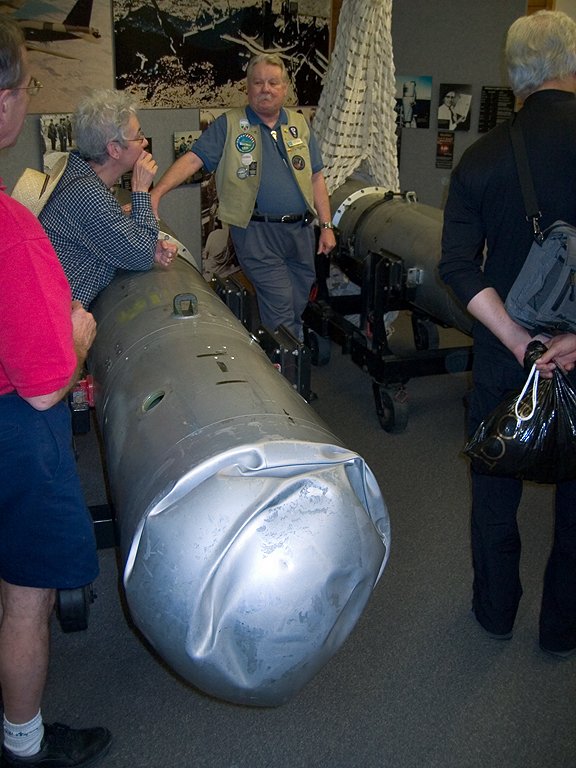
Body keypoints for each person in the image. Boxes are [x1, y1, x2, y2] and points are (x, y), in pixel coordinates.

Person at [439, 10, 576, 658]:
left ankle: (495, 612)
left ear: (514, 72)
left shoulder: (484, 156)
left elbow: (457, 266)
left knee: (495, 492)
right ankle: (563, 629)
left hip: (505, 355)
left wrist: (522, 342)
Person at [0, 17, 112, 767]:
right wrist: (77, 336)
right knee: (26, 598)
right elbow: (45, 391)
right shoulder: (11, 230)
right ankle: (24, 742)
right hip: (15, 430)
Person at [150, 53, 336, 339]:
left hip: (300, 231)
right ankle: (286, 361)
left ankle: (285, 349)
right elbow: (193, 159)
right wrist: (157, 193)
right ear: (247, 88)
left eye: (273, 82)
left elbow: (316, 177)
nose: (266, 89)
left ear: (285, 88)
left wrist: (326, 225)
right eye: (258, 82)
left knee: (298, 299)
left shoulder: (298, 124)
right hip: (257, 233)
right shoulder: (230, 124)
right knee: (280, 305)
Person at [38, 89, 176, 309]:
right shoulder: (89, 195)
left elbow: (115, 242)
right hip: (58, 317)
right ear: (114, 149)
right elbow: (141, 255)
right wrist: (141, 190)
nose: (144, 142)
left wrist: (149, 247)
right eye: (138, 136)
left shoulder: (78, 174)